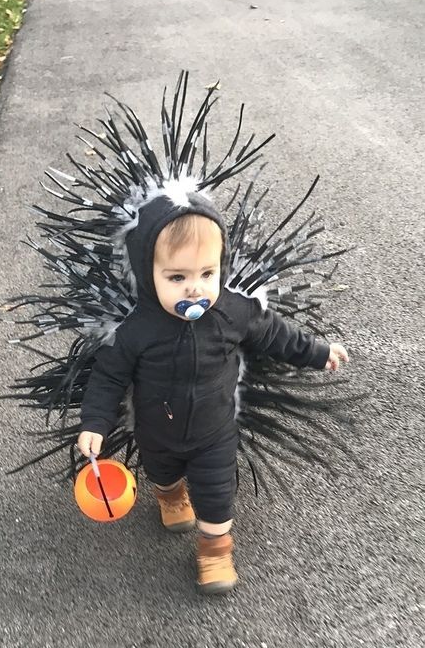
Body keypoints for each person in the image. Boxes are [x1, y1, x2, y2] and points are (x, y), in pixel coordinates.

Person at [76, 193, 349, 595]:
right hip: (156, 432)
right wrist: (95, 422)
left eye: (207, 273)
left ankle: (215, 549)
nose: (195, 289)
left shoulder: (233, 311)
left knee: (217, 495)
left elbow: (276, 335)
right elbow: (108, 378)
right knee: (163, 476)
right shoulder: (135, 332)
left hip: (214, 433)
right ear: (146, 272)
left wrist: (318, 353)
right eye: (177, 278)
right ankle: (171, 497)